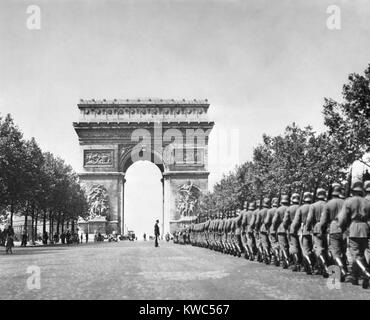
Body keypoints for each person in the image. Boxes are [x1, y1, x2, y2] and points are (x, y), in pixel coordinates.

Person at [338, 179, 370, 288]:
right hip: (365, 228)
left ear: (353, 191)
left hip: (354, 228)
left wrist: (341, 228)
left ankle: (366, 273)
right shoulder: (367, 202)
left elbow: (343, 218)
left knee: (355, 254)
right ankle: (355, 277)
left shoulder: (349, 201)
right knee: (364, 252)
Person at [320, 183, 347, 279]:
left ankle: (342, 270)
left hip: (333, 228)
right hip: (344, 229)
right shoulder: (345, 202)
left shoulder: (328, 204)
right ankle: (343, 269)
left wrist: (322, 230)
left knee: (335, 251)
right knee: (342, 251)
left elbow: (323, 221)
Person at [307, 188, 329, 277]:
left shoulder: (313, 205)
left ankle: (324, 267)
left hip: (317, 228)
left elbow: (309, 218)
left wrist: (308, 227)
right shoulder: (327, 204)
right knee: (325, 248)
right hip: (327, 228)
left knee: (318, 248)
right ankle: (322, 266)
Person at [287, 193, 302, 271]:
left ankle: (297, 264)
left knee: (294, 246)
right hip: (301, 229)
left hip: (292, 229)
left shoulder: (289, 208)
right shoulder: (301, 207)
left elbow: (286, 220)